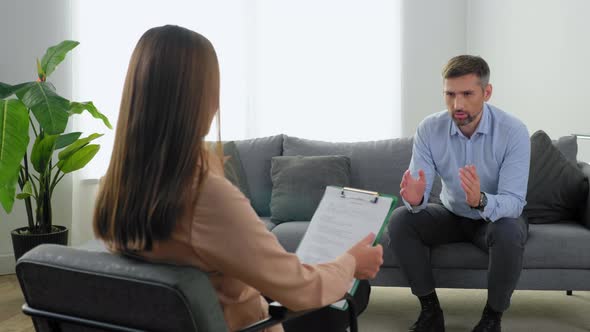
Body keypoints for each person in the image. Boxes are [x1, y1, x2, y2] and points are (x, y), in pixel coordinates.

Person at [92, 25, 383, 332]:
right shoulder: (205, 195)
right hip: (242, 325)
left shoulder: (113, 186)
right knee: (350, 293)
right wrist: (351, 262)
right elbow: (301, 288)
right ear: (197, 99)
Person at [387, 55, 530, 332]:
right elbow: (419, 189)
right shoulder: (430, 128)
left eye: (467, 94)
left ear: (486, 93)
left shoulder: (513, 131)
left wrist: (482, 200)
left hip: (494, 219)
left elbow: (514, 202)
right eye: (450, 94)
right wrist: (415, 198)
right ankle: (430, 311)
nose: (457, 104)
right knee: (401, 219)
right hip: (451, 214)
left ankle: (492, 318)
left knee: (510, 231)